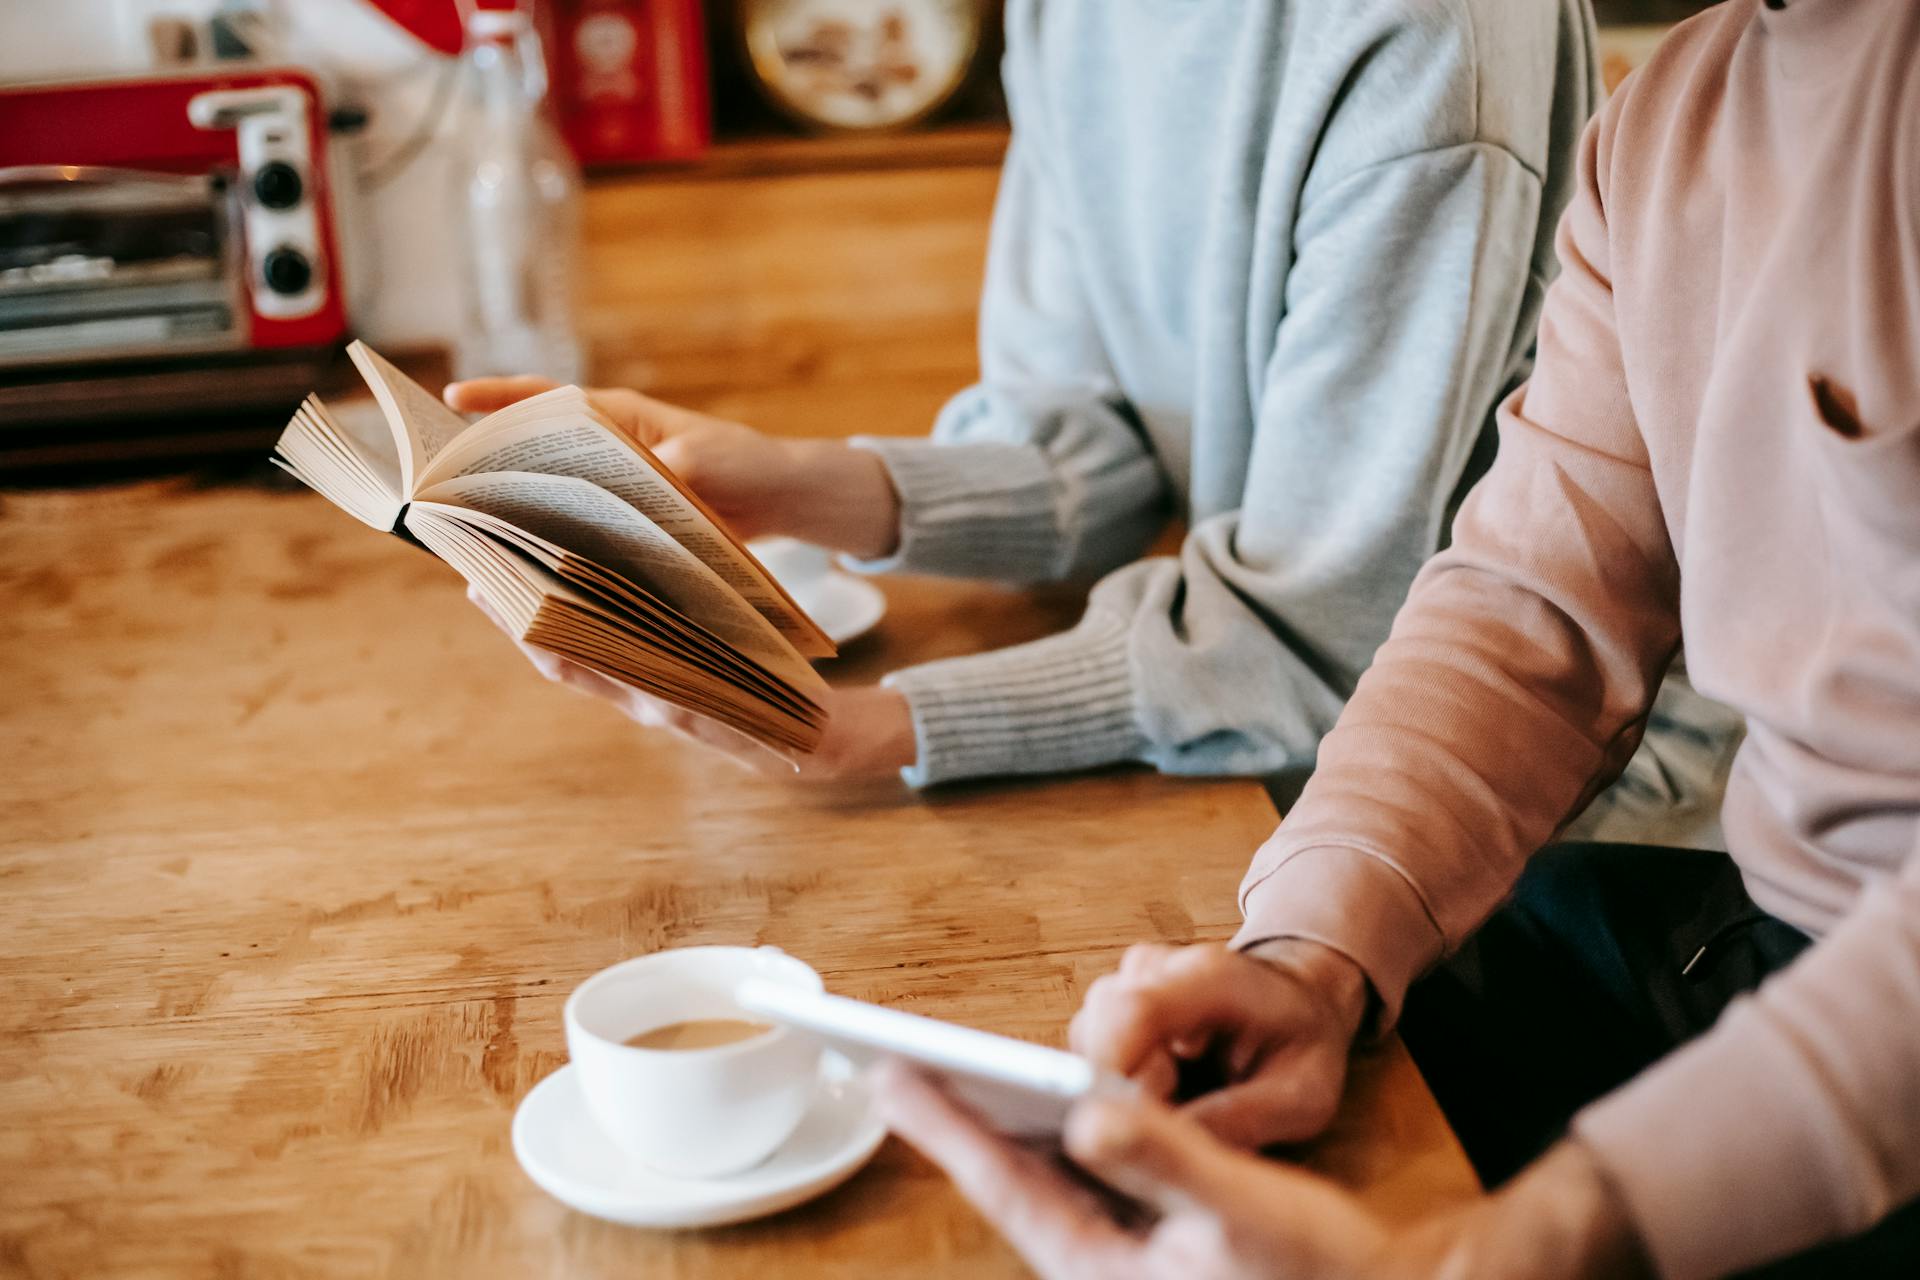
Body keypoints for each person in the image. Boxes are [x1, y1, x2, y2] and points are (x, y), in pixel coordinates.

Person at [878, 1, 1920, 1276]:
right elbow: (1532, 602)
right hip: (1765, 927)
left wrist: (1515, 1243)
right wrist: (1312, 953)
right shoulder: (1678, 112)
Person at [447, 0, 1733, 844]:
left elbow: (1323, 623)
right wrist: (789, 481)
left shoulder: (1426, 42)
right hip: (1266, 729)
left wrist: (871, 732)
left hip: (1560, 828)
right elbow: (1096, 439)